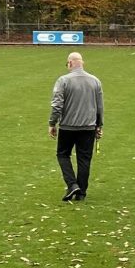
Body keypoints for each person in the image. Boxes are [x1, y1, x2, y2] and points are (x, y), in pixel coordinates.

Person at [47, 51, 103, 201]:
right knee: (84, 158)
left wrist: (52, 123)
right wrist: (99, 125)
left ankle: (72, 184)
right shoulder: (95, 81)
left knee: (63, 154)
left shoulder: (63, 81)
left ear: (70, 63)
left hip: (68, 126)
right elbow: (99, 106)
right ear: (82, 63)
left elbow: (57, 105)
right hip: (88, 127)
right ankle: (81, 192)